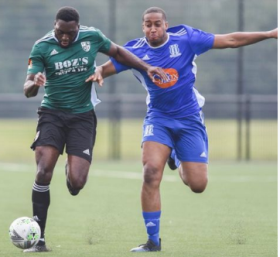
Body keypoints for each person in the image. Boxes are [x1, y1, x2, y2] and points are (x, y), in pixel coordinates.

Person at [88, 7, 278, 252]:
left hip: (189, 119)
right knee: (150, 172)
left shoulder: (186, 39)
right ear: (142, 26)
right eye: (148, 24)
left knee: (197, 184)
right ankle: (153, 241)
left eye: (157, 24)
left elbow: (230, 40)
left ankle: (176, 156)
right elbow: (105, 68)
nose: (153, 28)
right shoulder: (134, 51)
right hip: (158, 118)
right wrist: (99, 70)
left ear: (166, 25)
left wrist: (270, 33)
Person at [23, 6, 167, 253]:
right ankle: (39, 238)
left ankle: (71, 168)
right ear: (54, 26)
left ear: (78, 28)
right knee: (43, 170)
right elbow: (27, 88)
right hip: (52, 114)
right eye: (60, 32)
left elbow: (119, 52)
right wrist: (35, 83)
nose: (64, 38)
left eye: (69, 33)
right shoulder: (42, 46)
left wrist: (146, 67)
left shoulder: (93, 37)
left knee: (77, 183)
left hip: (82, 117)